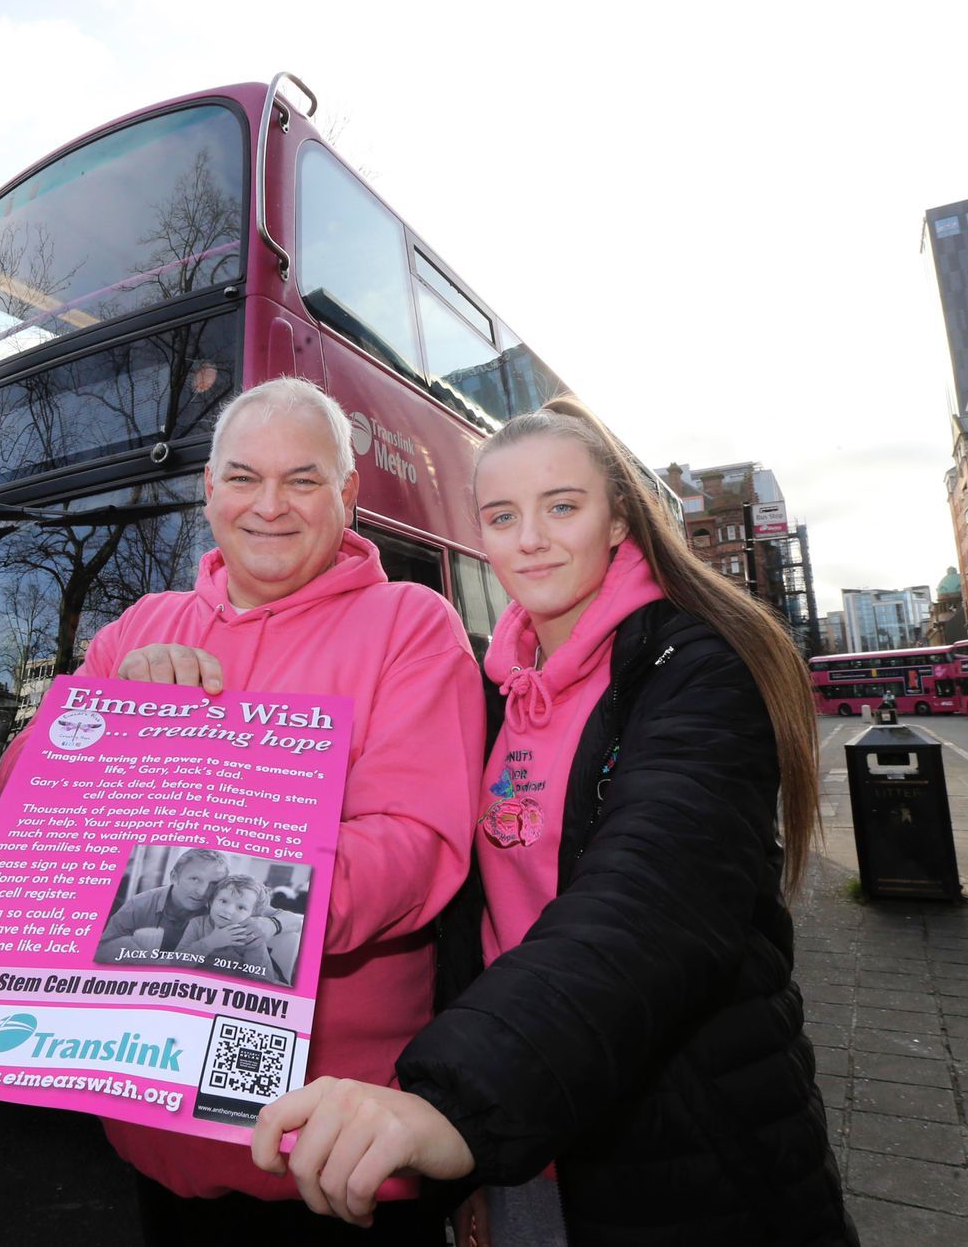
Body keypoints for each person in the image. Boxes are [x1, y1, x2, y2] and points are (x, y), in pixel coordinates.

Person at [251, 397, 858, 1245]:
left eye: (561, 507)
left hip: (678, 1129)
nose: (528, 538)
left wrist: (456, 1099)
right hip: (525, 1133)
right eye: (502, 517)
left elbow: (649, 900)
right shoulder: (497, 688)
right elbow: (477, 921)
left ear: (617, 520)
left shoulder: (692, 671)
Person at [69, 376, 485, 1245]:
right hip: (147, 1120)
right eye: (243, 477)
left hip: (325, 1151)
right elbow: (34, 811)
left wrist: (248, 908)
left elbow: (416, 847)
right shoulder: (141, 624)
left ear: (349, 494)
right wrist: (112, 711)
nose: (270, 507)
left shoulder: (412, 622)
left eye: (303, 479)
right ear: (209, 489)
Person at [93, 847, 239, 964]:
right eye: (194, 879)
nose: (202, 892)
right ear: (174, 877)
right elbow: (100, 951)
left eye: (213, 884)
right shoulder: (139, 904)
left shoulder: (218, 915)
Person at [176, 873, 281, 981]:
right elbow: (176, 964)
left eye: (241, 907)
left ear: (253, 915)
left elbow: (264, 980)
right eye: (223, 901)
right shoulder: (197, 924)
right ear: (211, 902)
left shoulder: (251, 935)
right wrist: (210, 943)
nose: (228, 910)